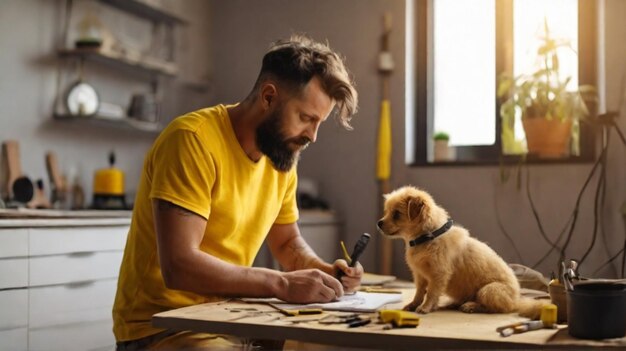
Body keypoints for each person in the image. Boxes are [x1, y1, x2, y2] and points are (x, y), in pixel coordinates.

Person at [113, 34, 361, 350]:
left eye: (319, 123)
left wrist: (327, 275)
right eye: (305, 118)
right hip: (162, 326)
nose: (312, 135)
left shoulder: (281, 156)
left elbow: (287, 243)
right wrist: (281, 283)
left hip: (233, 314)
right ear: (269, 97)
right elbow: (179, 266)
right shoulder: (192, 140)